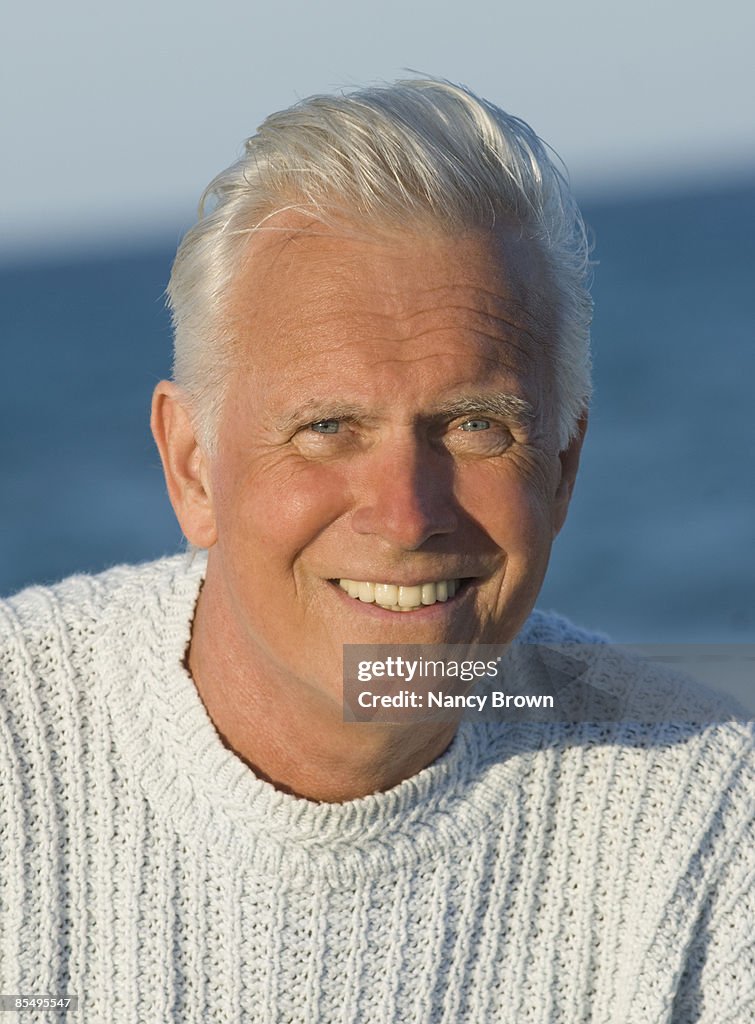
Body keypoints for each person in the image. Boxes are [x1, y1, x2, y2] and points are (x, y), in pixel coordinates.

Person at [0, 78, 752, 1023]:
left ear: (561, 471)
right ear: (192, 468)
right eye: (326, 426)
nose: (405, 516)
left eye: (478, 425)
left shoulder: (705, 817)